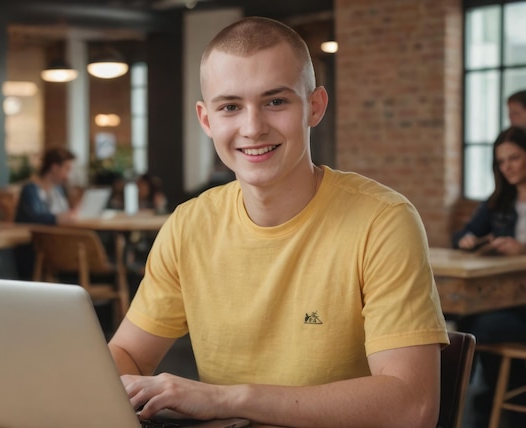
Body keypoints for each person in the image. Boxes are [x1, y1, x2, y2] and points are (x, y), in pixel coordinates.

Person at [108, 16, 448, 427]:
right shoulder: (189, 225)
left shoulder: (383, 222)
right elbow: (127, 354)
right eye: (230, 106)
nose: (252, 127)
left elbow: (412, 406)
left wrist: (228, 399)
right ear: (206, 120)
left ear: (315, 107)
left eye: (275, 101)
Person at [452, 126, 526, 427]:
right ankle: (491, 396)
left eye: (514, 158)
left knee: (471, 326)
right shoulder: (499, 203)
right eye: (501, 161)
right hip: (505, 302)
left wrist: (522, 248)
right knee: (468, 321)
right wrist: (467, 240)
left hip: (518, 307)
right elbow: (461, 235)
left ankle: (467, 400)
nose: (506, 167)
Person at [14, 146, 78, 279]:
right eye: (66, 169)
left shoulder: (58, 191)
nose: (68, 175)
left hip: (59, 246)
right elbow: (30, 219)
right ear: (54, 167)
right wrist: (56, 219)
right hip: (38, 250)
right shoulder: (31, 190)